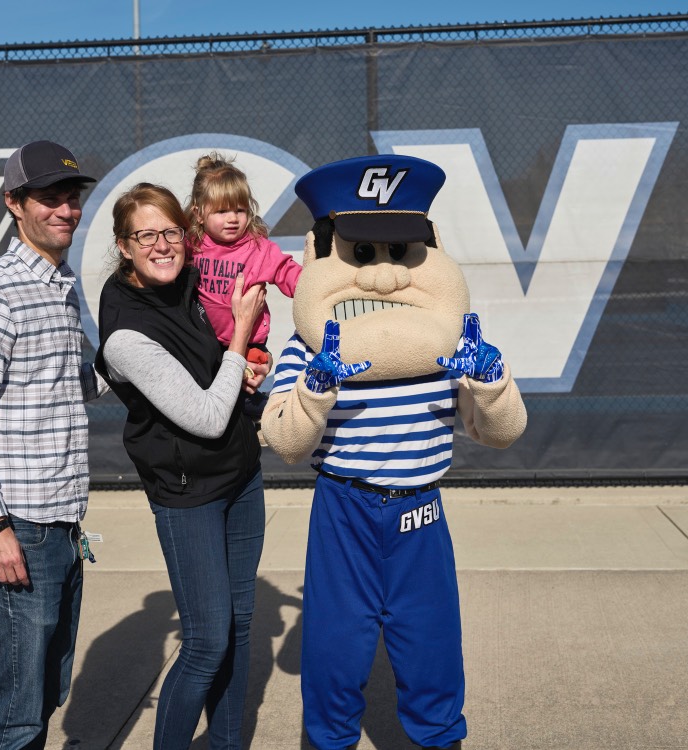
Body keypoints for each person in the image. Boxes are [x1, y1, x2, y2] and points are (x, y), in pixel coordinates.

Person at [261, 155, 528, 750]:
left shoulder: (455, 347)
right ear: (318, 252)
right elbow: (284, 442)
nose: (383, 277)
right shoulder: (306, 351)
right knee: (333, 653)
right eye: (360, 254)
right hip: (343, 512)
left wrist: (490, 386)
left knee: (432, 650)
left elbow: (500, 430)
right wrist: (315, 393)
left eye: (401, 252)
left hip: (421, 516)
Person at [0, 140, 107, 748]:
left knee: (43, 694)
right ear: (14, 203)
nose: (65, 209)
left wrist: (142, 349)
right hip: (18, 531)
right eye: (49, 198)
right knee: (14, 712)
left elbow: (65, 385)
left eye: (71, 197)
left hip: (58, 527)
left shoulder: (56, 286)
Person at [94, 182, 269, 750]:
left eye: (172, 232)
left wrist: (247, 369)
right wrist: (242, 335)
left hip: (242, 477)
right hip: (189, 494)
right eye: (147, 235)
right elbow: (205, 417)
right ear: (124, 246)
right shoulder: (125, 334)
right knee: (205, 642)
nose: (163, 245)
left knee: (241, 629)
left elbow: (221, 377)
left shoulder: (195, 279)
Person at [186, 152, 301, 418]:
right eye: (222, 211)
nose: (232, 218)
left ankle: (256, 412)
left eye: (240, 210)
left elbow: (288, 272)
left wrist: (314, 287)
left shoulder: (258, 248)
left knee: (247, 380)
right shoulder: (191, 247)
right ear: (199, 214)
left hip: (250, 341)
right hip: (205, 340)